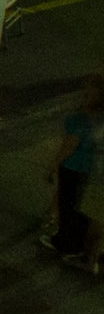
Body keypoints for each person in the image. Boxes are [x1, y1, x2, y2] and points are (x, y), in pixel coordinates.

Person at [56, 74, 104, 270]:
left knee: (94, 219)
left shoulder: (90, 120)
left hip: (99, 177)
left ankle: (88, 257)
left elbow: (75, 141)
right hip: (96, 174)